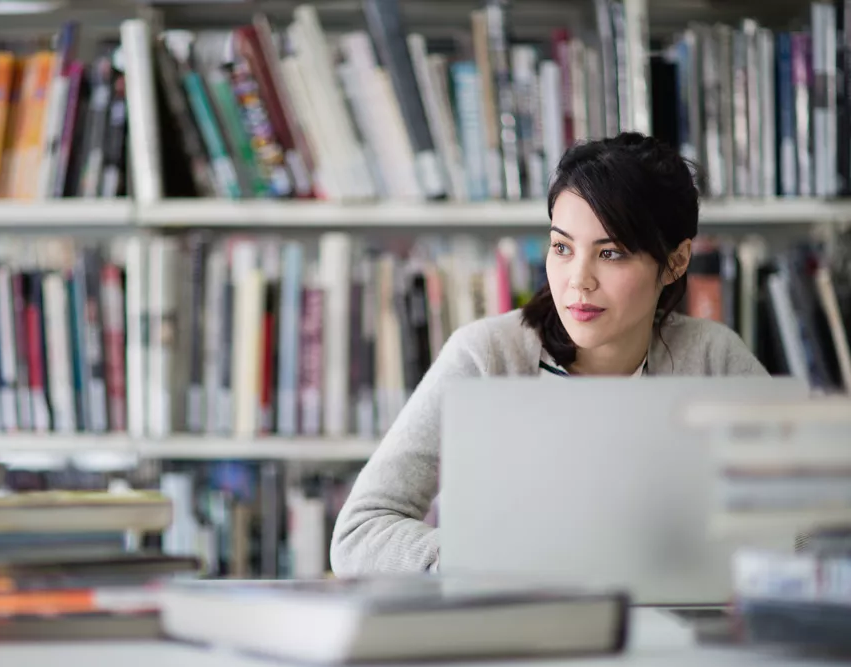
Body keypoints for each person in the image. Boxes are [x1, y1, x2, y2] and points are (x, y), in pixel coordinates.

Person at [329, 132, 768, 576]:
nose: (578, 280)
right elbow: (358, 533)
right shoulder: (487, 358)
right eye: (562, 248)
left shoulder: (714, 359)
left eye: (611, 253)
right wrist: (485, 560)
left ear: (675, 261)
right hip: (517, 631)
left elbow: (809, 524)